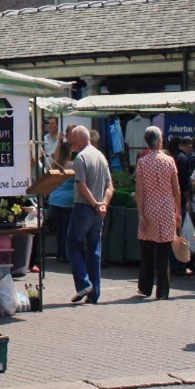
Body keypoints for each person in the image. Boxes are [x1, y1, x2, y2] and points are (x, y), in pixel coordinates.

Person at [66, 125, 114, 304]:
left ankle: (84, 283)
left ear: (81, 139)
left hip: (84, 207)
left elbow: (82, 186)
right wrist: (103, 205)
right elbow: (110, 186)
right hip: (98, 211)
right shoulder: (101, 156)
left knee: (72, 245)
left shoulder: (81, 157)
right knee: (94, 250)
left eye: (73, 140)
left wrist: (95, 204)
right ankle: (94, 293)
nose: (72, 143)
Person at [134, 126, 181, 300]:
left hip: (149, 207)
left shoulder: (142, 162)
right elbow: (176, 188)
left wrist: (141, 214)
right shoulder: (169, 161)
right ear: (159, 140)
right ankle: (162, 291)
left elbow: (139, 191)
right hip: (167, 207)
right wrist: (178, 210)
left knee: (147, 248)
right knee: (163, 251)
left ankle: (145, 287)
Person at [47, 140, 75, 262]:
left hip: (55, 199)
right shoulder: (73, 166)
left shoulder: (55, 165)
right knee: (66, 228)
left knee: (59, 229)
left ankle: (59, 252)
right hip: (68, 200)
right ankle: (65, 253)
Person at [171, 136, 194, 276]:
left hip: (172, 199)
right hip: (179, 200)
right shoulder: (183, 160)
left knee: (174, 233)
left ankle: (175, 263)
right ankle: (181, 264)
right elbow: (184, 184)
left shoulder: (174, 157)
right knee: (181, 233)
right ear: (188, 145)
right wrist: (186, 201)